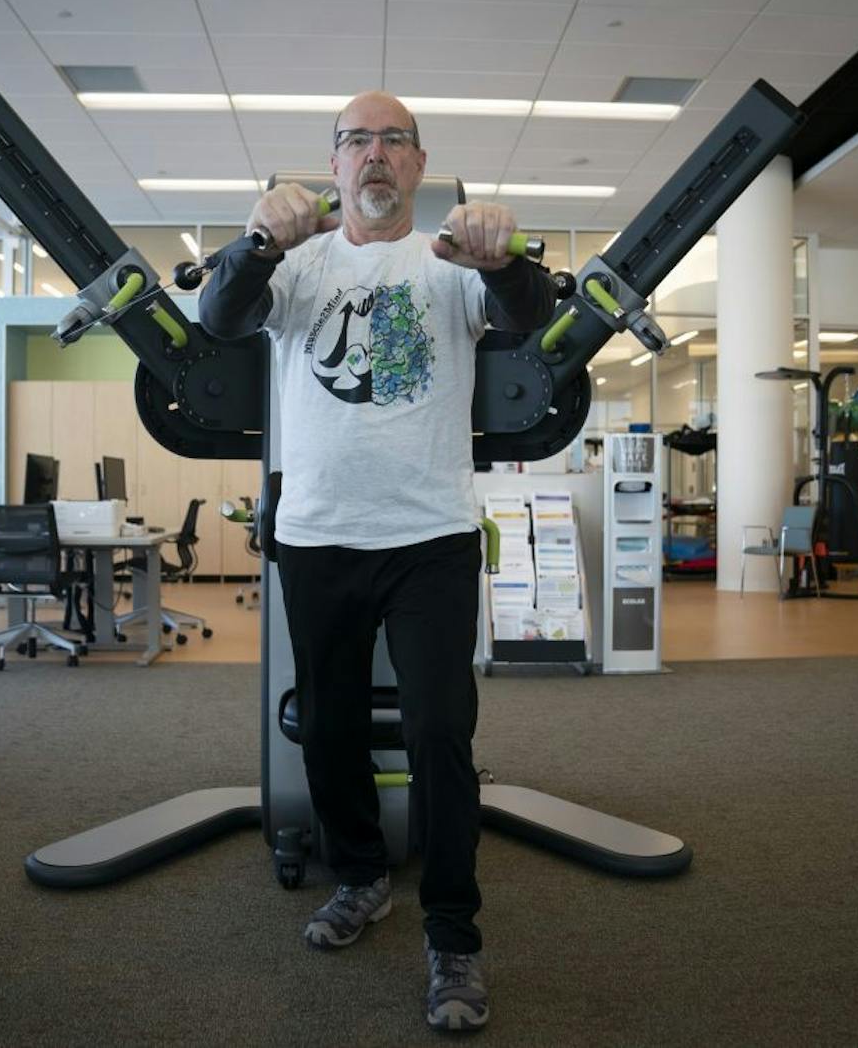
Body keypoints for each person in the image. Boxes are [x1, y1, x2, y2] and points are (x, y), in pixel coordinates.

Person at [199, 91, 554, 1032]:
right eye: (359, 140)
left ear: (420, 164)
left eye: (394, 140)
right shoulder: (299, 263)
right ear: (336, 164)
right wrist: (255, 242)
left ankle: (454, 933)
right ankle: (359, 877)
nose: (376, 156)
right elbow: (222, 316)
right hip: (315, 535)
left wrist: (508, 256)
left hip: (430, 535)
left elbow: (527, 314)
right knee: (327, 723)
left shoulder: (450, 262)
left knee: (440, 731)